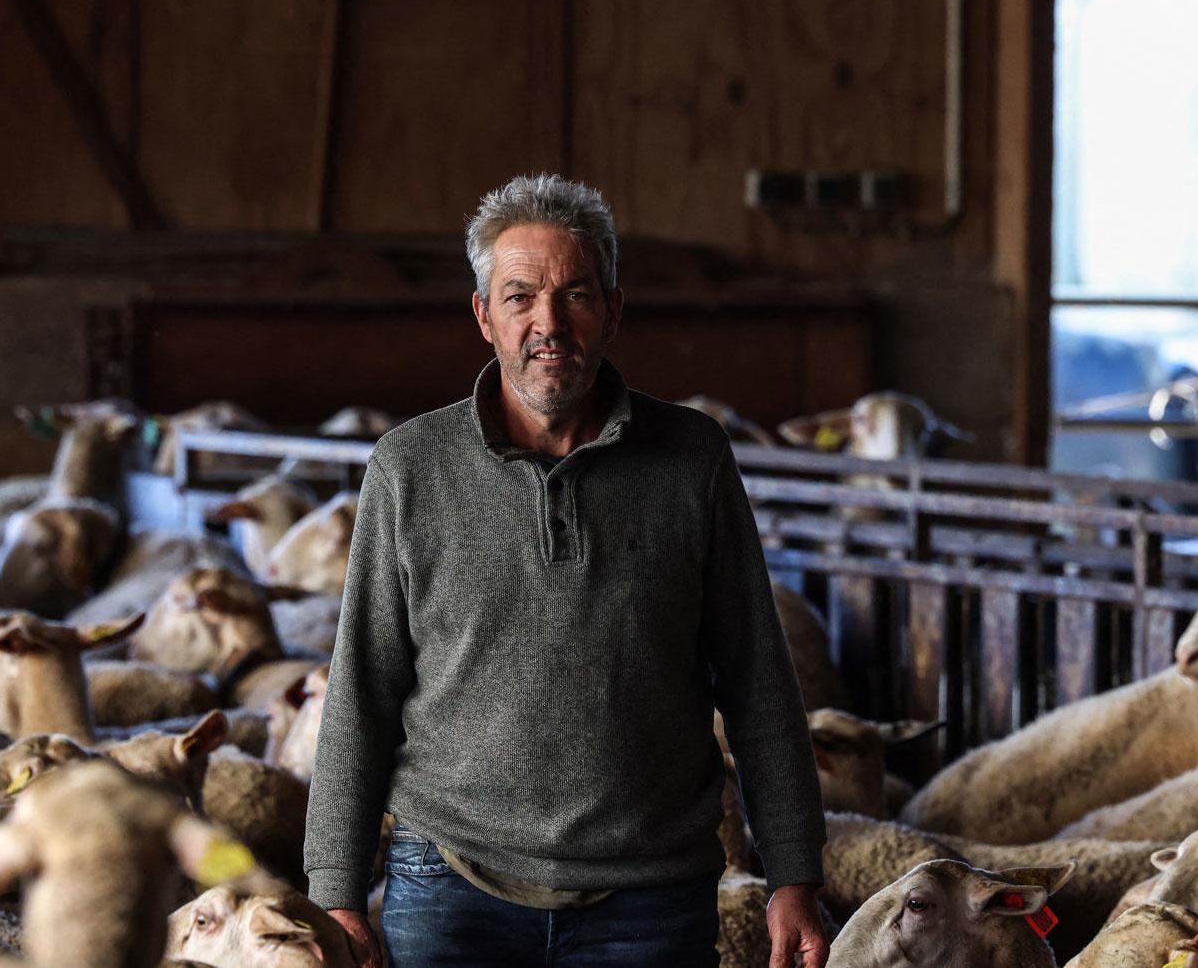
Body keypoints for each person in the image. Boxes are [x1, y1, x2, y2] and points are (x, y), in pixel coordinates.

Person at [305, 174, 830, 967]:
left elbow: (757, 677)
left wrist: (794, 872)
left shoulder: (692, 460)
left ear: (613, 310)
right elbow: (362, 689)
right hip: (450, 885)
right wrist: (334, 890)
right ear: (484, 316)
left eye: (575, 295)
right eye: (519, 297)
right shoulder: (410, 468)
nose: (547, 324)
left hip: (650, 895)